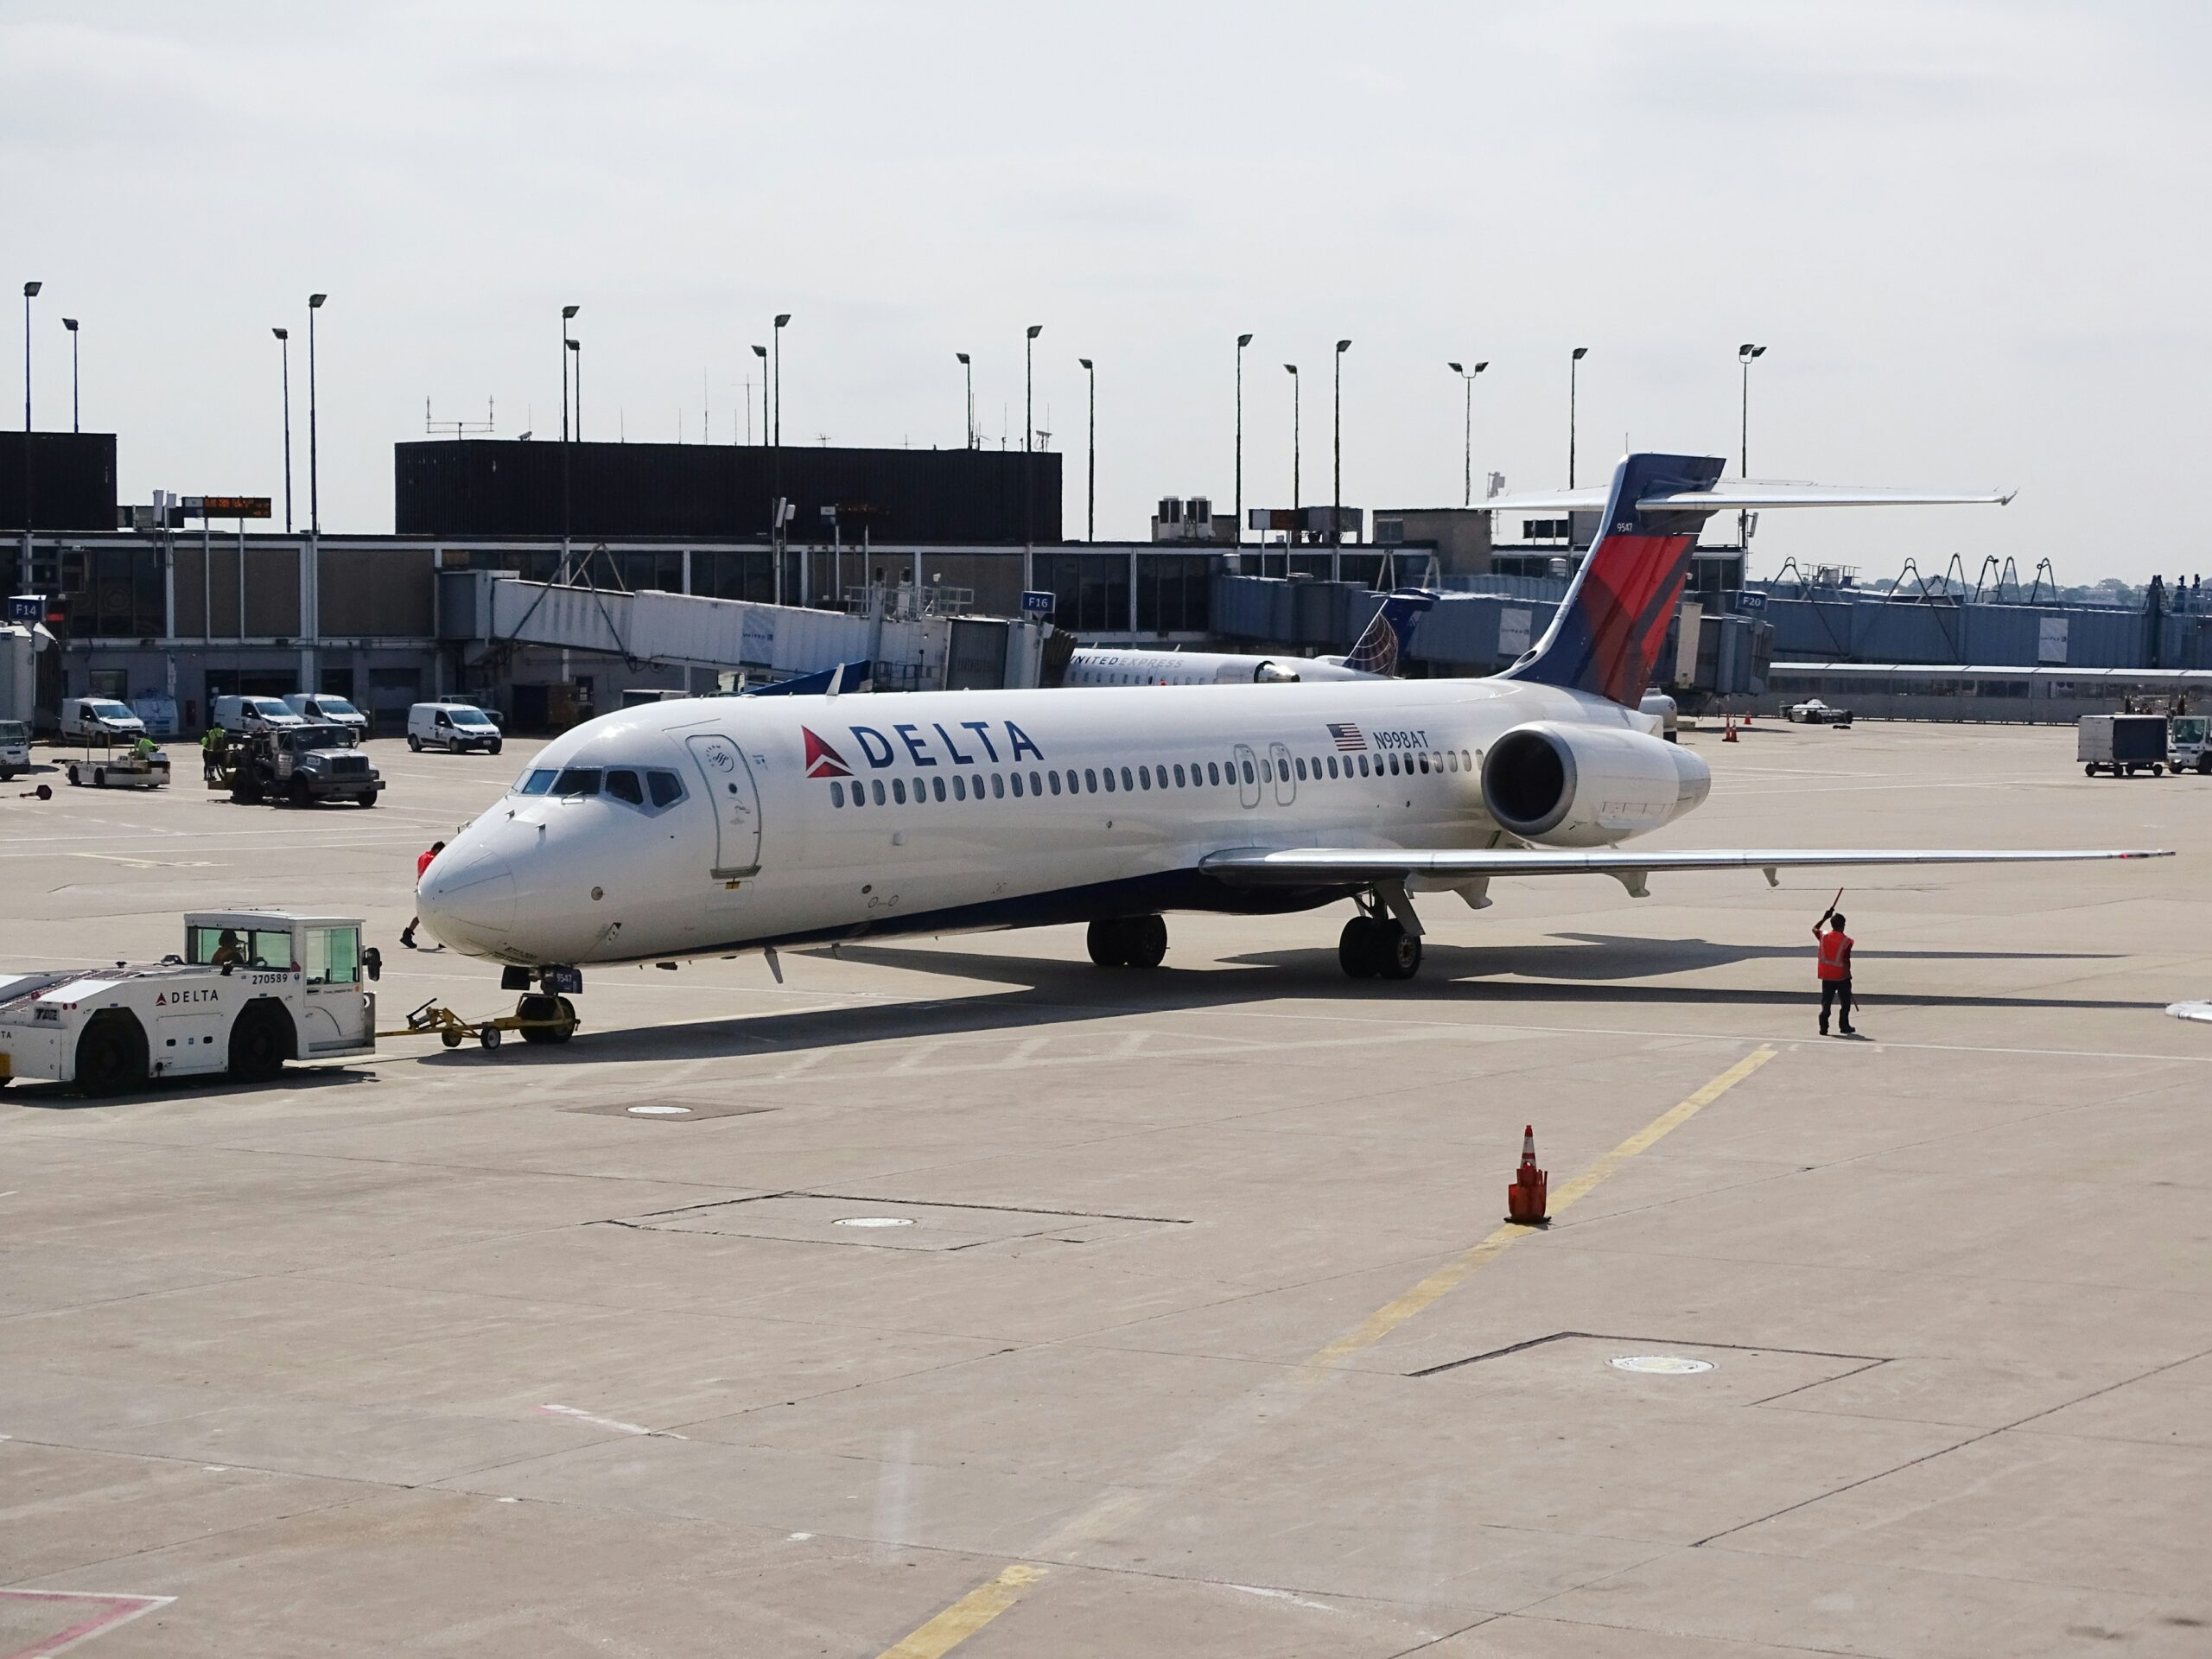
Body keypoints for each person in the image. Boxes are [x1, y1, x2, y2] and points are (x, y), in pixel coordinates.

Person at [1813, 907, 1856, 1036]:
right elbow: (1846, 960)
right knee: (1845, 1003)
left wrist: (1824, 917)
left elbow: (1814, 929)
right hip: (1841, 976)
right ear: (1842, 925)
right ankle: (1844, 1026)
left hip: (1826, 975)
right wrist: (1848, 974)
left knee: (1826, 1002)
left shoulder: (1823, 936)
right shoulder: (1847, 941)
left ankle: (1823, 1027)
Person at [399, 840, 446, 950]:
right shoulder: (433, 859)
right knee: (438, 912)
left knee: (423, 913)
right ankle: (441, 939)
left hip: (422, 886)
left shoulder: (423, 856)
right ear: (437, 850)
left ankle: (408, 933)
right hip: (431, 889)